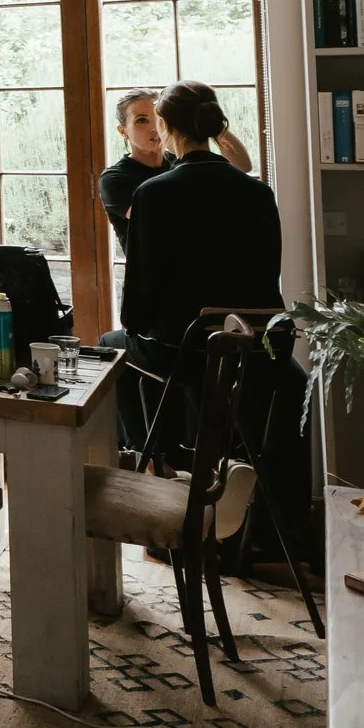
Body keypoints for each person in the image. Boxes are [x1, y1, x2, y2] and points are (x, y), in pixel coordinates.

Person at [108, 82, 284, 461]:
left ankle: (151, 456)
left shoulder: (154, 194)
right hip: (254, 343)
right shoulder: (257, 193)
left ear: (167, 128)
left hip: (185, 346)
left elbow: (137, 309)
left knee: (111, 347)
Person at [98, 85, 251, 257]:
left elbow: (243, 167)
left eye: (159, 118)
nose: (154, 127)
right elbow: (160, 221)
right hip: (153, 276)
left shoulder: (185, 162)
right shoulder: (115, 179)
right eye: (141, 120)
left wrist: (213, 124)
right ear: (123, 131)